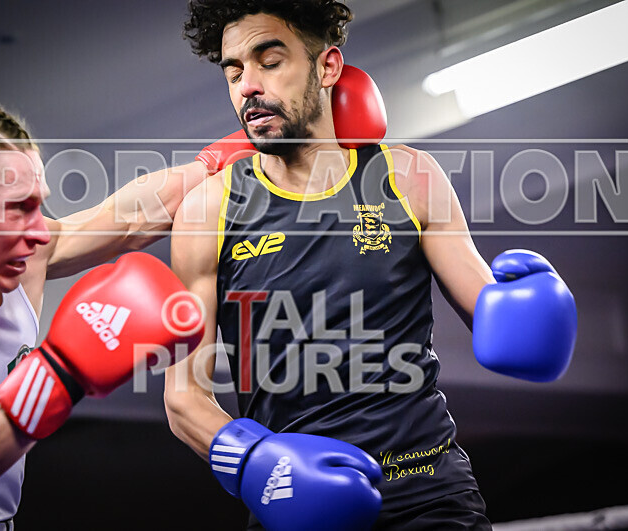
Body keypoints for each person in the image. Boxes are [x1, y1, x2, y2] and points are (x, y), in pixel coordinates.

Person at [165, 1, 577, 530]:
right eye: (234, 71)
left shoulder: (407, 177)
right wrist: (252, 463)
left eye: (269, 62)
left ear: (328, 67)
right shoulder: (209, 210)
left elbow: (493, 313)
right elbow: (183, 396)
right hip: (295, 501)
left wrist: (526, 316)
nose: (247, 86)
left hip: (430, 492)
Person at [0, 99, 214, 529]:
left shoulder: (24, 257)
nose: (40, 231)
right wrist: (63, 370)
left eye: (39, 205)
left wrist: (245, 146)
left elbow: (130, 218)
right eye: (18, 208)